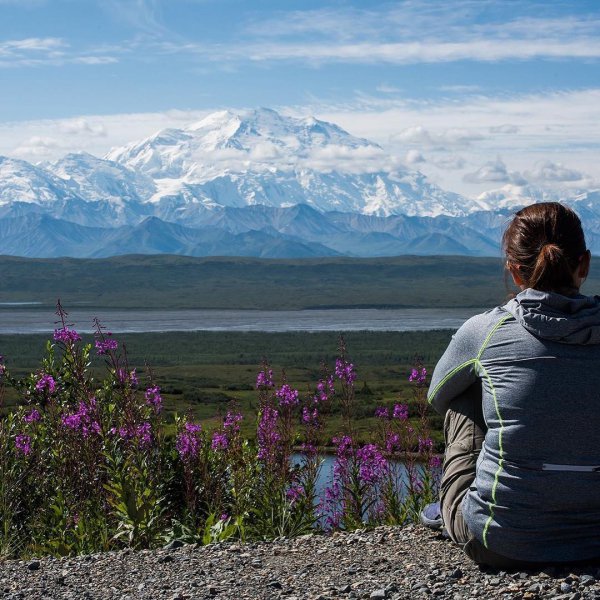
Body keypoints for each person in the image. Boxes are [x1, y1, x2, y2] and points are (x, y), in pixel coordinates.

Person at [424, 202, 600, 568]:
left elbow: (438, 396)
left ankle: (451, 506)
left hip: (500, 541)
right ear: (584, 264)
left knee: (467, 391)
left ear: (515, 271)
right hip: (594, 543)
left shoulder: (486, 332)